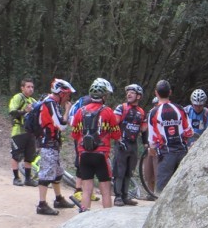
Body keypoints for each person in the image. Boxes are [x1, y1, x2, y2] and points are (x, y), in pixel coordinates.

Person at [70, 78, 121, 212]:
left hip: (84, 154)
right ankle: (107, 219)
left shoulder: (80, 111)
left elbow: (74, 134)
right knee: (105, 191)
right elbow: (116, 134)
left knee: (86, 191)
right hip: (101, 154)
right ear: (103, 96)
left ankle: (83, 217)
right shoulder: (108, 111)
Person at [35, 79, 77, 216]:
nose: (68, 98)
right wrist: (67, 110)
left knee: (57, 172)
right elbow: (62, 125)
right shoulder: (50, 103)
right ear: (61, 93)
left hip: (53, 143)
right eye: (67, 95)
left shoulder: (50, 102)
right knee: (46, 173)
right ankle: (41, 204)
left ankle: (59, 199)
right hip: (48, 143)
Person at [147, 79, 193, 192]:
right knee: (183, 188)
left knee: (162, 190)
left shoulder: (153, 112)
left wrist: (152, 149)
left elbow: (152, 141)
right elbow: (189, 131)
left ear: (156, 93)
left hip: (166, 154)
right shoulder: (180, 109)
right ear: (170, 92)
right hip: (182, 151)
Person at [112, 83, 147, 206]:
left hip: (133, 144)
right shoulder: (121, 108)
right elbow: (114, 124)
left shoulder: (141, 112)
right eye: (128, 92)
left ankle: (125, 196)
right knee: (119, 171)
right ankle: (118, 197)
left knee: (129, 171)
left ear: (138, 96)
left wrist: (146, 143)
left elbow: (144, 129)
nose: (129, 94)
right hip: (121, 143)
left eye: (132, 92)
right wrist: (118, 138)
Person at [8, 78, 38, 186]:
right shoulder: (18, 97)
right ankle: (16, 178)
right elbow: (12, 112)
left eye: (32, 87)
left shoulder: (34, 101)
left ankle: (28, 179)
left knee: (29, 157)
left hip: (30, 133)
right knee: (16, 155)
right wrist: (25, 111)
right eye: (28, 87)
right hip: (19, 131)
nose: (30, 89)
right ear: (22, 88)